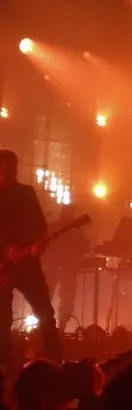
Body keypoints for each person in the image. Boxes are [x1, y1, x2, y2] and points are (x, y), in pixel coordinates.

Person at [0, 149, 62, 372]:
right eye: (6, 167)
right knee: (2, 320)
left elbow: (40, 226)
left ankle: (56, 364)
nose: (10, 171)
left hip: (27, 265)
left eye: (12, 167)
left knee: (45, 313)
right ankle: (4, 368)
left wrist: (38, 242)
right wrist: (5, 249)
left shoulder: (27, 193)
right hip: (3, 267)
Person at [41, 204, 90, 332]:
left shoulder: (59, 228)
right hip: (60, 267)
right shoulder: (72, 231)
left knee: (53, 297)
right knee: (59, 297)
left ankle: (48, 327)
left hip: (60, 268)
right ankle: (55, 327)